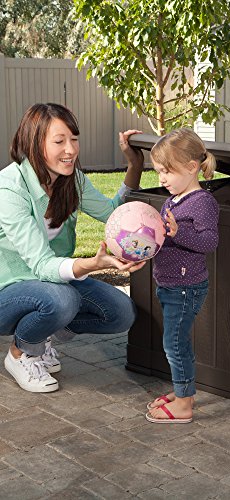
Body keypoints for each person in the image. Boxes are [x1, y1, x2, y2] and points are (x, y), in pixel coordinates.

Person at [0, 102, 146, 393]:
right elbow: (41, 265)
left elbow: (113, 213)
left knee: (121, 312)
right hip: (8, 289)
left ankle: (42, 334)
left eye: (74, 139)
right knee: (61, 299)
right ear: (34, 144)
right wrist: (94, 264)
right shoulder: (10, 188)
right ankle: (21, 353)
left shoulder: (72, 180)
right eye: (59, 141)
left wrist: (135, 165)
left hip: (51, 283)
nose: (70, 150)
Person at [144, 128, 219, 424]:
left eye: (167, 171)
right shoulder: (174, 199)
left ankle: (184, 404)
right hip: (170, 284)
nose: (162, 178)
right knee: (174, 342)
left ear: (191, 167)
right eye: (159, 172)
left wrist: (179, 232)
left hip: (186, 287)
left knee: (174, 344)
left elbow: (210, 241)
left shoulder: (202, 202)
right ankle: (182, 391)